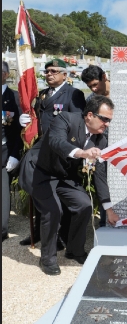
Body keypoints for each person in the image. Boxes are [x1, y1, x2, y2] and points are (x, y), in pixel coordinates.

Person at [18, 95, 119, 275]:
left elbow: (100, 174)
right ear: (89, 115)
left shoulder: (101, 140)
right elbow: (56, 142)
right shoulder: (66, 119)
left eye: (109, 120)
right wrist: (81, 153)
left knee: (84, 205)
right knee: (53, 210)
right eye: (104, 119)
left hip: (64, 175)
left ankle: (74, 250)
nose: (107, 124)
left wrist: (108, 207)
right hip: (40, 170)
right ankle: (47, 259)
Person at [19, 58, 86, 248]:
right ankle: (40, 232)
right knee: (41, 192)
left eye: (54, 71)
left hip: (62, 153)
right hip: (42, 151)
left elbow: (78, 123)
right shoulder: (42, 95)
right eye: (47, 71)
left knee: (61, 197)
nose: (49, 74)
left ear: (65, 75)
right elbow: (37, 120)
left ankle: (60, 236)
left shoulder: (74, 94)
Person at [81, 65, 110, 227]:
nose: (93, 88)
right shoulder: (91, 100)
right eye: (89, 86)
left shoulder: (123, 91)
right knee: (104, 188)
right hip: (102, 151)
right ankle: (105, 223)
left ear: (104, 77)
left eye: (95, 84)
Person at [2, 61, 23, 241]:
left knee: (2, 194)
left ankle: (2, 229)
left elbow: (19, 132)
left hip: (4, 154)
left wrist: (15, 155)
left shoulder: (15, 98)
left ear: (6, 75)